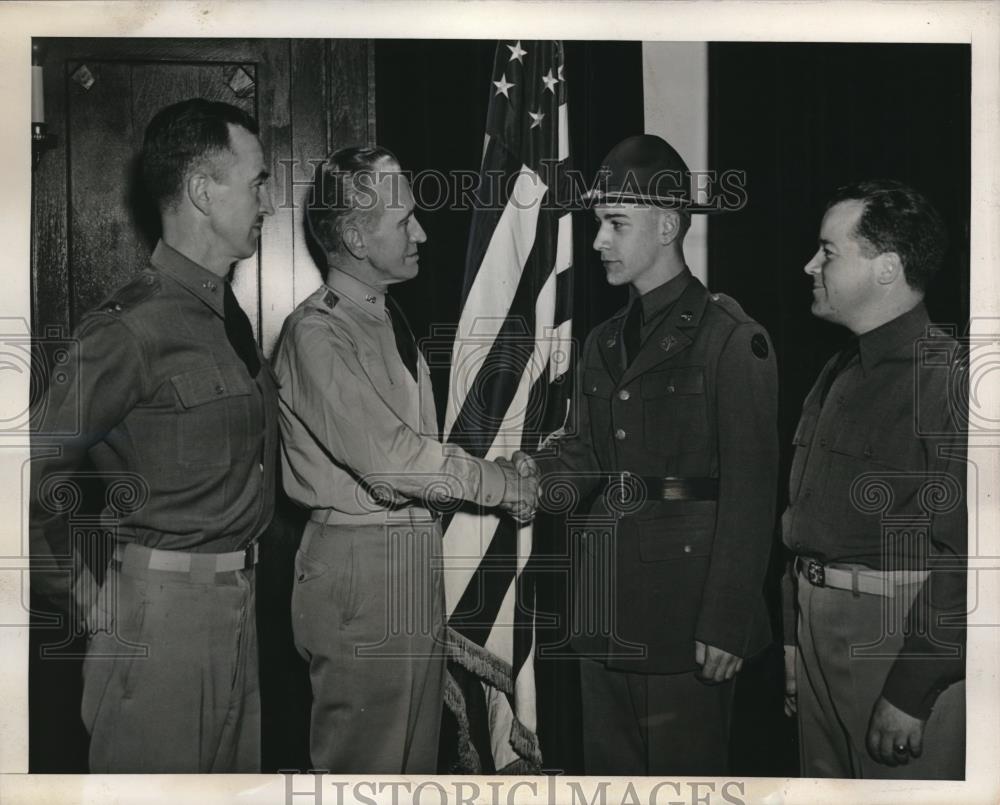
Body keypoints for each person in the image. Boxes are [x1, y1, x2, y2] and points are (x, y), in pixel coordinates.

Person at [517, 134, 779, 775]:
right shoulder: (605, 340)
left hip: (687, 620)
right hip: (606, 608)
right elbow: (584, 457)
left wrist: (726, 620)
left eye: (615, 224)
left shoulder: (730, 339)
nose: (600, 240)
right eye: (599, 224)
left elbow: (751, 490)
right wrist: (517, 481)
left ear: (667, 225)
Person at [29, 98, 278, 772]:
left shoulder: (223, 315)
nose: (268, 201)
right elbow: (22, 482)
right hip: (161, 621)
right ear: (203, 190)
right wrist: (84, 596)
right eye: (256, 181)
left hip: (239, 610)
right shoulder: (127, 328)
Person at [272, 145, 537, 774]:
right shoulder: (318, 334)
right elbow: (393, 461)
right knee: (365, 770)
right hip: (364, 569)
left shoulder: (381, 318)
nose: (421, 232)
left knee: (410, 768)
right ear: (358, 238)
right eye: (404, 221)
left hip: (405, 560)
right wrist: (499, 484)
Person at [781, 179, 966, 778]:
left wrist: (913, 688)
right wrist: (792, 640)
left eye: (828, 252)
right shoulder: (837, 370)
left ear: (886, 269)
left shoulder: (949, 382)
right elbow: (805, 524)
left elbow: (968, 556)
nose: (810, 265)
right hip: (817, 630)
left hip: (890, 641)